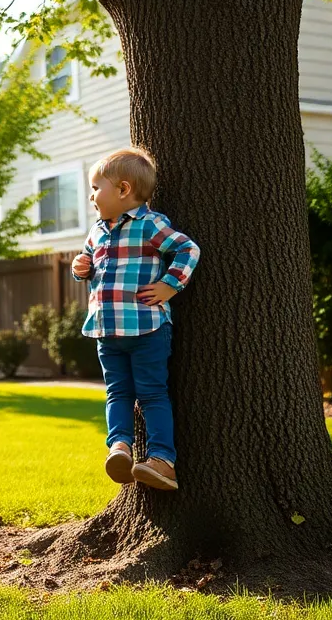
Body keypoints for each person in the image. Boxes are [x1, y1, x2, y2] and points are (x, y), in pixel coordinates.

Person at [71, 147, 200, 491]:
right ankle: (120, 448)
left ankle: (162, 460)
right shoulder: (97, 231)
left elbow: (188, 249)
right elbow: (86, 261)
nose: (91, 195)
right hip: (106, 329)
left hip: (146, 328)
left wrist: (170, 285)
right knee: (117, 393)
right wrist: (80, 268)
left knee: (153, 394)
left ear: (124, 189)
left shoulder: (150, 225)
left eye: (97, 187)